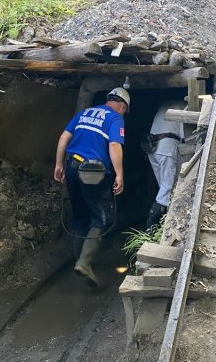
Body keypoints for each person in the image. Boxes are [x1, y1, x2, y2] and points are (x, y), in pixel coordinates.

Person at [54, 86, 129, 287]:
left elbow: (64, 137)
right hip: (93, 173)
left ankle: (78, 261)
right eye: (125, 110)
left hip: (71, 166)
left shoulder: (84, 113)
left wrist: (59, 164)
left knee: (80, 214)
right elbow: (114, 145)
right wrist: (120, 174)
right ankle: (84, 263)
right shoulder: (115, 118)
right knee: (103, 217)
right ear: (122, 106)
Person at [143, 102, 185, 229]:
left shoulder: (162, 107)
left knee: (163, 186)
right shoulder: (184, 108)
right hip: (166, 149)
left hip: (152, 148)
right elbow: (184, 136)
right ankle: (153, 225)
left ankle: (159, 222)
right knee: (166, 189)